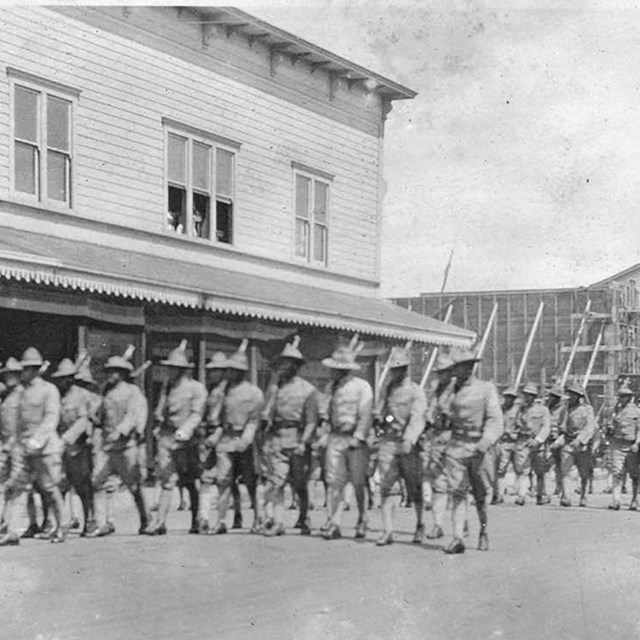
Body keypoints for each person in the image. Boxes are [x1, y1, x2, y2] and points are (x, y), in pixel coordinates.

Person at [0, 348, 65, 545]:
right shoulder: (20, 392)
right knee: (19, 489)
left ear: (36, 369)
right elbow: (17, 423)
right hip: (23, 448)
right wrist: (13, 444)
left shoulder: (48, 390)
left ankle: (60, 527)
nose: (24, 373)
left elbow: (51, 418)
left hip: (45, 449)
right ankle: (12, 532)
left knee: (51, 488)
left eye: (28, 369)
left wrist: (37, 440)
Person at [443, 347, 503, 554]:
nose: (464, 370)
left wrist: (486, 441)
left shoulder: (486, 389)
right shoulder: (449, 390)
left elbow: (495, 419)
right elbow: (442, 416)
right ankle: (458, 537)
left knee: (480, 495)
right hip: (456, 447)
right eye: (460, 366)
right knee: (457, 493)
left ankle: (483, 531)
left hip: (479, 448)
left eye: (468, 366)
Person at [261, 337, 318, 536]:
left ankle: (304, 516)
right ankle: (278, 522)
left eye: (288, 363)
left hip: (298, 439)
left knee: (300, 484)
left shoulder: (308, 390)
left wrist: (304, 441)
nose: (284, 366)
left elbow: (311, 420)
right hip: (277, 438)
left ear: (296, 366)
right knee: (277, 481)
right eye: (282, 363)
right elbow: (266, 411)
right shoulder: (276, 388)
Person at [149, 341, 206, 535]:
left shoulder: (196, 388)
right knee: (167, 479)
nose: (171, 371)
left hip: (187, 440)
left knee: (190, 481)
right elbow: (159, 411)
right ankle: (160, 522)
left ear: (183, 370)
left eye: (175, 368)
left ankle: (196, 520)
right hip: (167, 437)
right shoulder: (167, 388)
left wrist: (186, 430)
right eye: (169, 368)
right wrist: (158, 426)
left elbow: (197, 414)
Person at [208, 341, 264, 534]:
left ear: (243, 372)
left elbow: (255, 420)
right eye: (229, 369)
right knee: (223, 481)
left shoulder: (254, 393)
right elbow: (215, 418)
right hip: (225, 439)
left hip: (244, 440)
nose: (230, 373)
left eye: (234, 370)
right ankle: (221, 520)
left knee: (250, 482)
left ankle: (258, 519)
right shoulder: (220, 392)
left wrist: (246, 439)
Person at [89, 354, 149, 536]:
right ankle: (102, 523)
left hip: (126, 446)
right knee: (97, 482)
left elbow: (134, 415)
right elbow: (100, 416)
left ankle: (146, 519)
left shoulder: (133, 391)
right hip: (107, 447)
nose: (109, 374)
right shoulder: (105, 392)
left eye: (113, 371)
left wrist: (121, 431)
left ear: (122, 373)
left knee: (134, 486)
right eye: (108, 371)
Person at [320, 338, 373, 541]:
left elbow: (366, 414)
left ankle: (363, 518)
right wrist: (324, 432)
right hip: (335, 438)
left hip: (354, 440)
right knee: (334, 481)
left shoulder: (362, 387)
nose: (332, 371)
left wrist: (359, 437)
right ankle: (334, 522)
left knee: (358, 483)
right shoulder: (330, 388)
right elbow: (326, 412)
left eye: (335, 368)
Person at [375, 346, 427, 545]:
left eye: (399, 369)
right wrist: (380, 419)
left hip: (408, 445)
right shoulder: (388, 390)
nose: (395, 372)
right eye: (393, 369)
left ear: (406, 369)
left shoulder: (415, 392)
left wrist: (409, 438)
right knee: (386, 487)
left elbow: (417, 417)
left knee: (414, 488)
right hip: (389, 442)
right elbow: (382, 412)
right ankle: (388, 531)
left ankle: (420, 523)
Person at [51, 358, 97, 536]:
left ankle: (90, 521)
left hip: (78, 447)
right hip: (59, 448)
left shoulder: (81, 395)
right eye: (61, 378)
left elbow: (83, 420)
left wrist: (68, 439)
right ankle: (59, 524)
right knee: (59, 485)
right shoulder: (57, 395)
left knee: (83, 486)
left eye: (67, 377)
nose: (64, 381)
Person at [422, 353, 455, 540]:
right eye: (439, 372)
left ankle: (461, 521)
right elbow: (429, 412)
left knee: (457, 483)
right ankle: (438, 525)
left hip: (454, 438)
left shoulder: (457, 390)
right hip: (436, 437)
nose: (441, 375)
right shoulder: (435, 391)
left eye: (444, 372)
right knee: (439, 484)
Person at [550, 381, 596, 507]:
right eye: (570, 393)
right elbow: (561, 427)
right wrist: (557, 441)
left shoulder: (587, 410)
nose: (571, 396)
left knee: (583, 473)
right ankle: (566, 497)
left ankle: (583, 495)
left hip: (582, 445)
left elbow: (590, 427)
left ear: (580, 396)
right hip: (567, 442)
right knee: (566, 471)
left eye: (574, 394)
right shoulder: (564, 409)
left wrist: (580, 439)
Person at [197, 351, 228, 533]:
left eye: (215, 370)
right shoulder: (211, 391)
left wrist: (216, 435)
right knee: (207, 478)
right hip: (209, 435)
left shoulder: (227, 392)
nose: (211, 373)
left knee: (225, 480)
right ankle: (204, 517)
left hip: (223, 436)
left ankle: (223, 519)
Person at [512, 382, 550, 506]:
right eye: (526, 394)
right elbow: (516, 424)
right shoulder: (520, 409)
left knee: (540, 472)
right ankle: (521, 496)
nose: (528, 397)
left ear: (535, 396)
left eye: (530, 395)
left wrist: (538, 440)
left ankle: (540, 495)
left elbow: (546, 427)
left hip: (538, 444)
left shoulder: (543, 410)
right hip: (523, 442)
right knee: (523, 470)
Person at [606, 383, 640, 510]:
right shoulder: (615, 412)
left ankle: (635, 500)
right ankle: (616, 500)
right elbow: (609, 428)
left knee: (635, 475)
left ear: (629, 397)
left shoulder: (637, 412)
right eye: (619, 396)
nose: (620, 398)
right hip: (617, 444)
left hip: (631, 446)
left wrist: (637, 443)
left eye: (623, 396)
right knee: (617, 472)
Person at [0, 358, 23, 538]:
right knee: (6, 486)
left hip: (19, 445)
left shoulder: (24, 395)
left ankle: (13, 529)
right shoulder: (6, 395)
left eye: (13, 374)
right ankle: (6, 525)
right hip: (7, 444)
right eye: (7, 374)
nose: (9, 377)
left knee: (17, 486)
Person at [496, 388, 519, 503]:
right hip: (504, 442)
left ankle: (520, 495)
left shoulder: (518, 410)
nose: (508, 399)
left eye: (511, 397)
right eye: (507, 397)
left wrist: (515, 433)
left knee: (520, 469)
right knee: (501, 469)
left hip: (518, 442)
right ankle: (500, 494)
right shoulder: (499, 409)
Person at [545, 385, 566, 497]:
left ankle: (561, 488)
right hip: (547, 439)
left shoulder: (563, 409)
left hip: (559, 439)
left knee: (560, 465)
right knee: (547, 464)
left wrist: (559, 440)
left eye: (552, 396)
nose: (550, 398)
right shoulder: (547, 408)